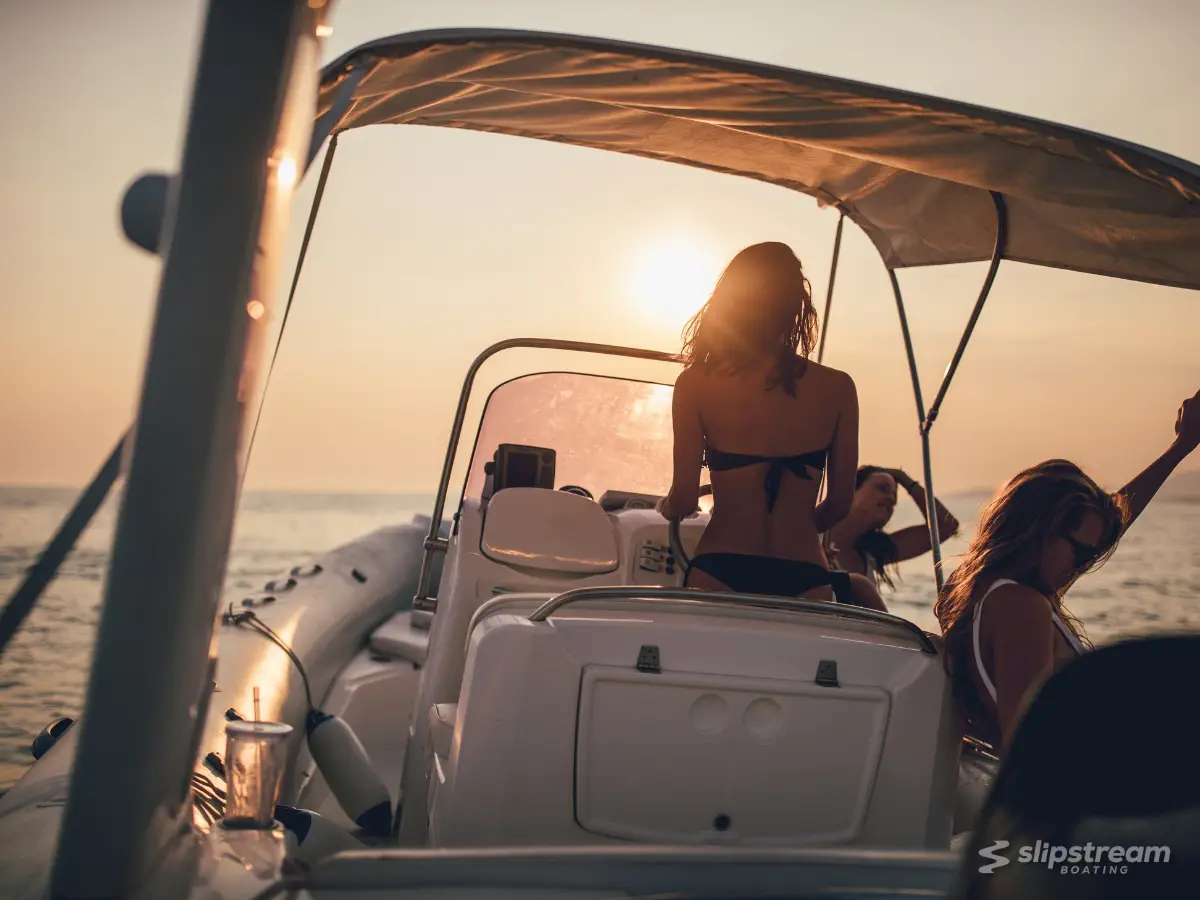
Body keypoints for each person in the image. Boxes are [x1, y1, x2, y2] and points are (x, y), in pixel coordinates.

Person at [934, 388, 1200, 755]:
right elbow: (1028, 750)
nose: (1083, 563)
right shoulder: (1021, 605)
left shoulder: (978, 589)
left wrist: (1181, 448)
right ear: (1038, 529)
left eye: (1090, 552)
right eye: (1078, 550)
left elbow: (1104, 530)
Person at [657, 241, 884, 612]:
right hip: (804, 570)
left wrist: (666, 507)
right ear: (797, 307)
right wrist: (799, 529)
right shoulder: (839, 388)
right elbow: (840, 503)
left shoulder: (695, 384)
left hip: (721, 567)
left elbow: (683, 498)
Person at [826, 465, 960, 589]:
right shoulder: (813, 536)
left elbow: (946, 526)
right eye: (882, 488)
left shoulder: (873, 552)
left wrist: (905, 480)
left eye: (894, 499)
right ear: (851, 491)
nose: (890, 499)